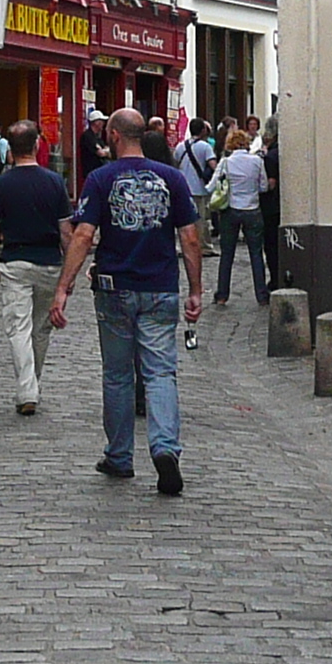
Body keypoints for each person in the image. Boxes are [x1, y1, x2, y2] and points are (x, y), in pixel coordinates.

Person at [48, 108, 203, 495]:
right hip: (161, 287)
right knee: (160, 373)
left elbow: (83, 236)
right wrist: (196, 289)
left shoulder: (100, 178)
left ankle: (119, 456)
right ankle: (165, 448)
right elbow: (190, 238)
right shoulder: (171, 178)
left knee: (118, 375)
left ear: (114, 135)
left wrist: (63, 287)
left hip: (115, 288)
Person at [0, 121, 70, 417]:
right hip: (49, 262)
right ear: (36, 146)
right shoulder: (54, 182)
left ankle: (27, 388)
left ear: (10, 151)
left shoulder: (1, 185)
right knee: (41, 329)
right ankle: (32, 384)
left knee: (19, 328)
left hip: (15, 261)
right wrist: (69, 270)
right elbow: (66, 232)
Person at [213, 122, 271, 307]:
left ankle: (222, 294)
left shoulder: (226, 163)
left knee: (227, 254)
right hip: (252, 210)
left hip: (231, 210)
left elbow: (212, 185)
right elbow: (263, 186)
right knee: (256, 253)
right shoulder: (257, 161)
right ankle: (261, 295)